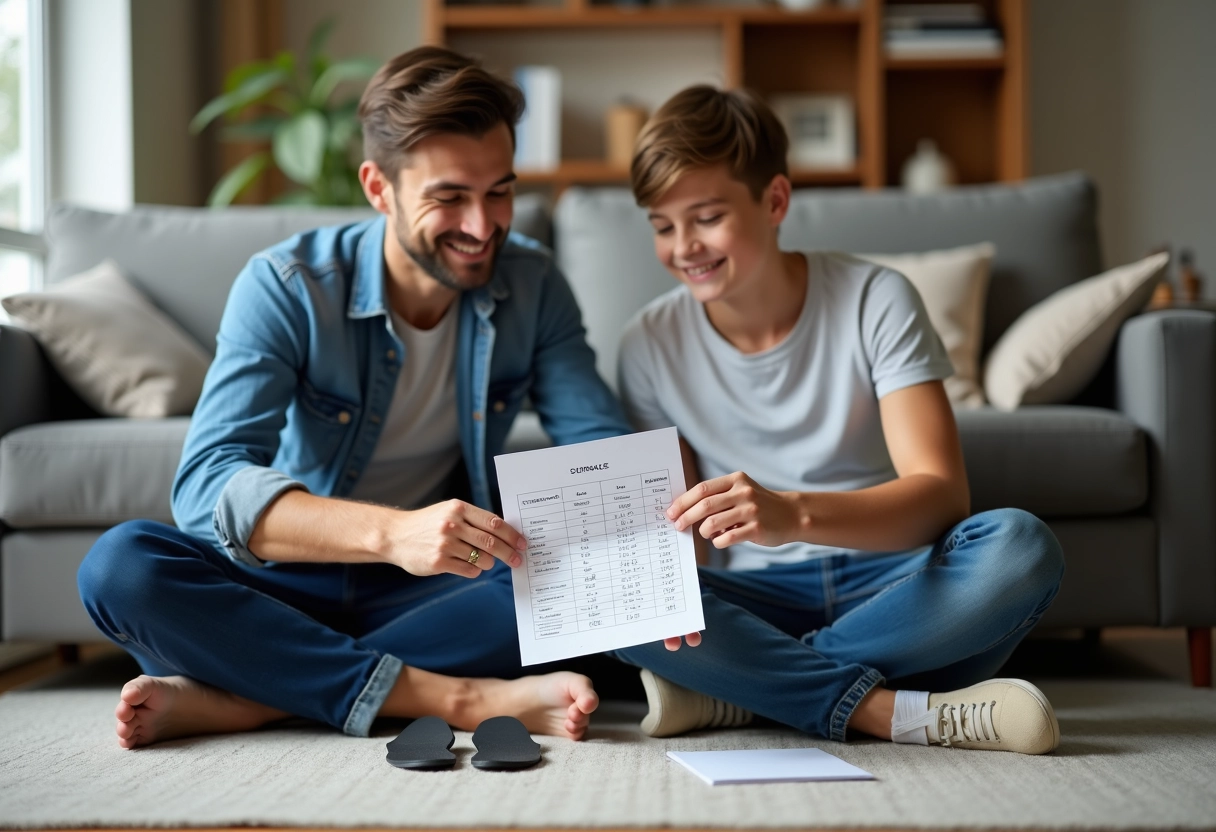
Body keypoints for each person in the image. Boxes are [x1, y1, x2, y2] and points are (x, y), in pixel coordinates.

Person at [615, 85, 1066, 753]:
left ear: (774, 201)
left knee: (1021, 548)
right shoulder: (647, 345)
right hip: (753, 591)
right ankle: (886, 710)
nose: (684, 247)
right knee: (628, 602)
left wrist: (791, 515)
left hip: (893, 583)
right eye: (661, 225)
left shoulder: (876, 300)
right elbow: (688, 541)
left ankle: (753, 687)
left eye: (706, 217)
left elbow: (942, 496)